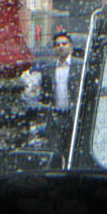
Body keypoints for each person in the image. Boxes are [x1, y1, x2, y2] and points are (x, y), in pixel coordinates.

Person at [40, 32, 82, 162]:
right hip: (55, 117)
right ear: (54, 48)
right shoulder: (48, 68)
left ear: (71, 47)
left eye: (64, 44)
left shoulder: (80, 65)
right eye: (57, 44)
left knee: (73, 150)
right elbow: (45, 95)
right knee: (55, 151)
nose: (61, 47)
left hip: (74, 116)